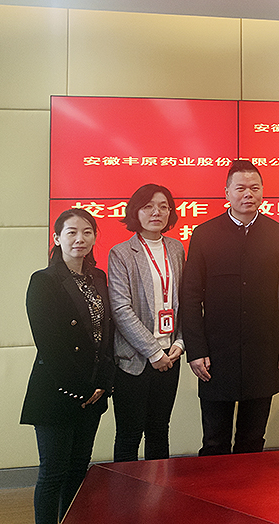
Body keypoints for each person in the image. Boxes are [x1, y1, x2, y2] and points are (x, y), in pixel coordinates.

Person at [181, 160, 279, 455]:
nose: (248, 194)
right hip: (216, 355)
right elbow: (190, 296)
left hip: (263, 351)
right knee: (214, 441)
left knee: (253, 440)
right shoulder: (204, 233)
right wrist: (196, 350)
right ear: (227, 192)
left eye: (255, 188)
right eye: (240, 188)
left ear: (263, 192)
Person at [20, 208, 114, 524]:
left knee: (78, 469)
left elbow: (106, 334)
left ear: (95, 237)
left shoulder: (98, 277)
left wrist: (102, 383)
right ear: (57, 238)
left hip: (94, 390)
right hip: (57, 391)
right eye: (71, 232)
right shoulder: (43, 281)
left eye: (87, 232)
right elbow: (49, 345)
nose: (79, 239)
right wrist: (81, 389)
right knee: (53, 472)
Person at [108, 184, 185, 461]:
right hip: (135, 360)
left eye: (164, 206)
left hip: (170, 356)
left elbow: (184, 299)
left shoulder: (176, 248)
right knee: (129, 435)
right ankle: (127, 490)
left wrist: (180, 342)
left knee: (159, 431)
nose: (157, 212)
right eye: (148, 206)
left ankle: (158, 488)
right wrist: (153, 352)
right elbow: (121, 309)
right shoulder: (121, 253)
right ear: (135, 212)